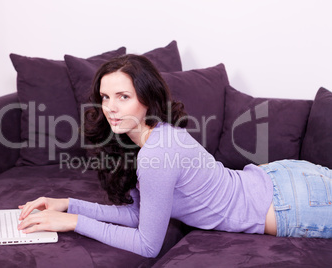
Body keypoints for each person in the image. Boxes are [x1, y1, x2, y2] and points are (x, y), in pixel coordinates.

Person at [18, 54, 332, 258]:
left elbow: (147, 244)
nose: (110, 107)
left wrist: (72, 222)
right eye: (105, 97)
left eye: (123, 97)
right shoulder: (158, 132)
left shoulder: (155, 154)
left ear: (146, 98)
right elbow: (138, 215)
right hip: (280, 178)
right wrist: (68, 205)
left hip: (295, 201)